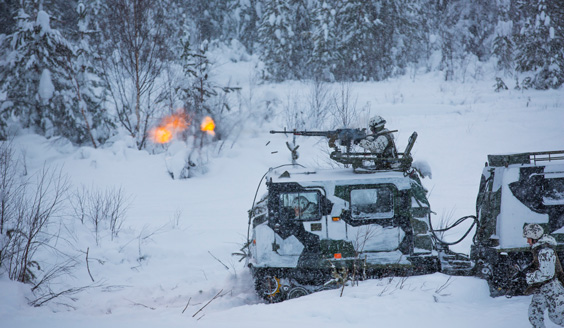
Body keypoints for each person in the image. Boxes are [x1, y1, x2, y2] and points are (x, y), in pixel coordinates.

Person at [523, 223, 564, 328]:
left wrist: (530, 277)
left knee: (558, 317)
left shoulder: (545, 250)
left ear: (535, 237)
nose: (527, 241)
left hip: (552, 288)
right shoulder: (539, 249)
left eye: (529, 238)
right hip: (541, 288)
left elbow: (547, 274)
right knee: (534, 314)